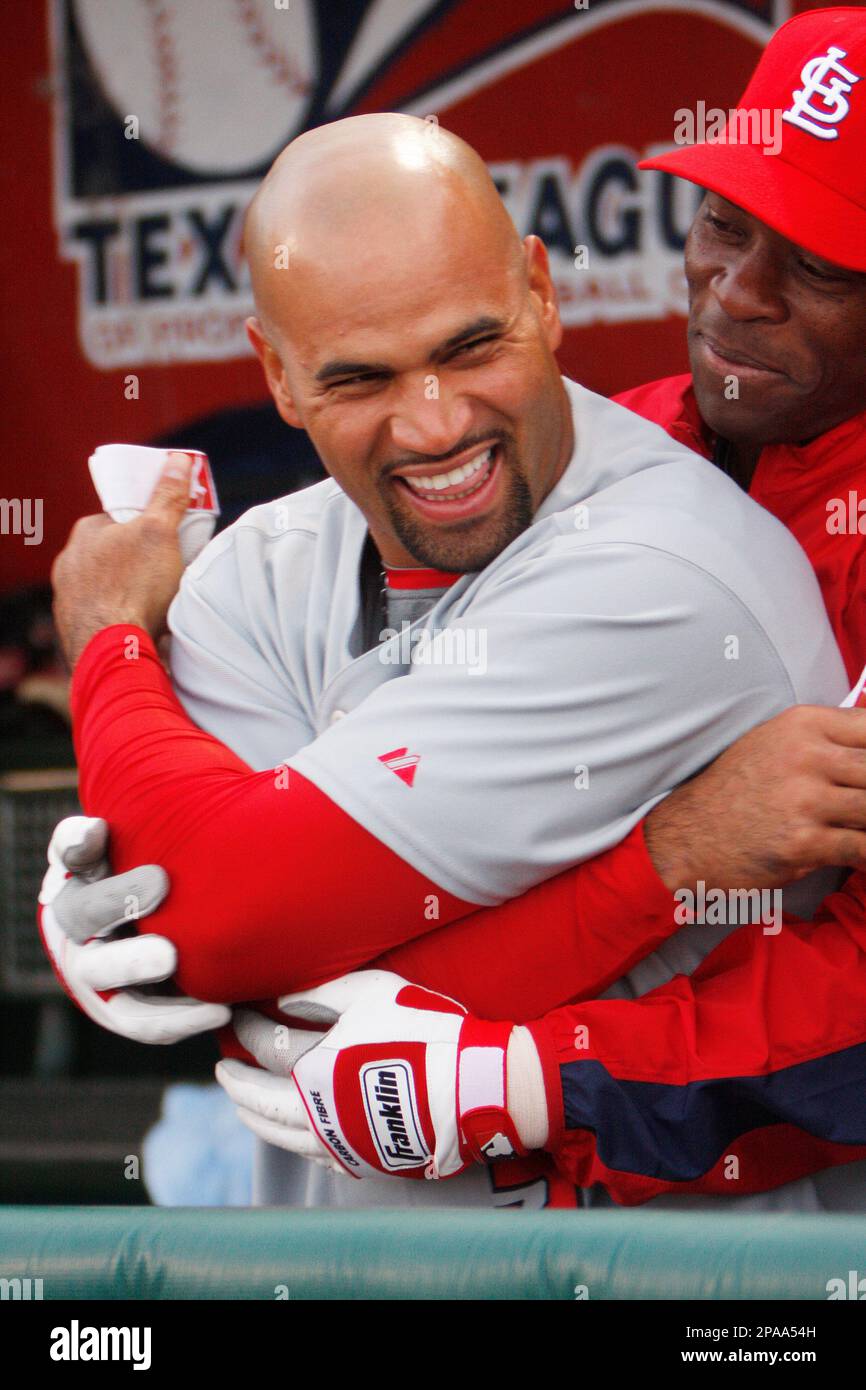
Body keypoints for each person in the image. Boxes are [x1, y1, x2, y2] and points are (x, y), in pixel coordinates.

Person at [41, 13, 866, 1210]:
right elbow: (243, 911)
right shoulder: (577, 445)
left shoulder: (665, 549)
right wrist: (145, 874)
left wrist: (535, 1075)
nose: (737, 294)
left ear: (535, 296)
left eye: (821, 265)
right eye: (723, 225)